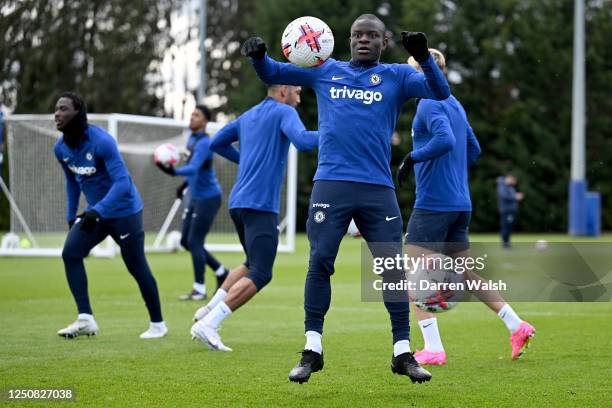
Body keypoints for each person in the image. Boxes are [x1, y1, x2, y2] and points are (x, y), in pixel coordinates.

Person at [243, 13, 451, 384]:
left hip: (378, 189)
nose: (364, 41)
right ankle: (312, 349)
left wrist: (423, 57)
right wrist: (258, 56)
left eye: (372, 36)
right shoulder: (324, 69)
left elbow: (440, 92)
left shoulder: (397, 76)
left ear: (384, 42)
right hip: (331, 185)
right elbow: (273, 72)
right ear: (347, 39)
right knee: (320, 261)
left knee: (392, 271)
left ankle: (403, 352)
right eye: (358, 35)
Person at [396, 50, 536, 365]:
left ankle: (433, 348)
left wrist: (413, 158)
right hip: (461, 203)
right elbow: (473, 148)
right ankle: (517, 325)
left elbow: (445, 140)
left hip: (434, 203)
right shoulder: (454, 104)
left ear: (421, 75)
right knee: (467, 274)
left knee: (410, 276)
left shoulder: (429, 103)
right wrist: (451, 171)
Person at [189, 84, 318, 352]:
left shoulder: (248, 115)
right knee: (262, 272)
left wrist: (245, 160)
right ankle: (210, 323)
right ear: (283, 90)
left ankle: (208, 309)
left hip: (238, 203)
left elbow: (216, 142)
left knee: (250, 263)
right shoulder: (284, 112)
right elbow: (304, 141)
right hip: (260, 205)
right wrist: (339, 132)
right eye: (296, 89)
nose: (300, 94)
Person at [53, 92, 167, 339]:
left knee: (136, 266)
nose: (57, 114)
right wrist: (71, 215)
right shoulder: (60, 148)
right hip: (96, 214)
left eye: (63, 109)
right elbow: (72, 183)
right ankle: (86, 319)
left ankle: (158, 324)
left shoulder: (102, 141)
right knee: (70, 253)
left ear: (77, 113)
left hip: (125, 212)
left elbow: (123, 183)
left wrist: (98, 210)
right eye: (56, 109)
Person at [157, 105, 228, 300]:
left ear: (205, 121)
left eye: (196, 115)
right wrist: (184, 185)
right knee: (184, 241)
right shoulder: (191, 139)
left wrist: (174, 172)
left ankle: (199, 289)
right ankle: (222, 272)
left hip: (209, 198)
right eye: (192, 114)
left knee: (195, 241)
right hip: (195, 196)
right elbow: (193, 169)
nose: (192, 117)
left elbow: (195, 167)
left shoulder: (205, 142)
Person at [497, 174, 524, 249]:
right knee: (506, 227)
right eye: (513, 180)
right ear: (509, 179)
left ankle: (507, 243)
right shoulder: (502, 186)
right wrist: (515, 196)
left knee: (509, 227)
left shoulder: (510, 187)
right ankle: (505, 244)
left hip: (511, 211)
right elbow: (504, 196)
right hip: (506, 211)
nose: (514, 183)